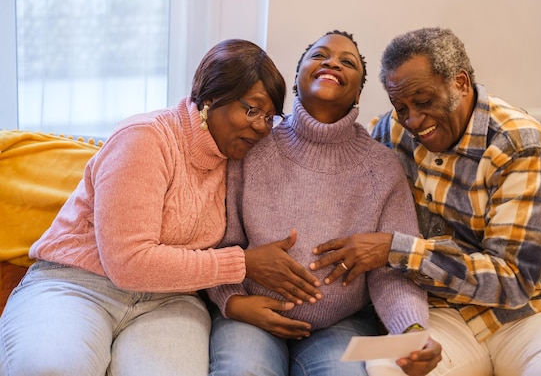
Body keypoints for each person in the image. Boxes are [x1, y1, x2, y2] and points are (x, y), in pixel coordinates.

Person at [0, 39, 321, 376]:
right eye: (252, 110)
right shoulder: (145, 138)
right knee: (50, 369)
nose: (260, 127)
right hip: (79, 284)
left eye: (269, 117)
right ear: (211, 97)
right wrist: (242, 264)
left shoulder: (241, 159)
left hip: (170, 301)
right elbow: (128, 263)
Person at [310, 27, 541, 376]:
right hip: (442, 313)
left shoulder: (519, 144)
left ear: (461, 83)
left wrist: (395, 249)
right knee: (382, 368)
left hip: (536, 313)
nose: (413, 121)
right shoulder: (392, 132)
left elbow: (512, 281)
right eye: (400, 106)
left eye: (423, 101)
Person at [206, 31, 442, 376]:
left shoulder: (382, 167)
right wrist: (234, 302)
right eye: (319, 56)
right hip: (249, 314)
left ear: (359, 92)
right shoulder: (251, 144)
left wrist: (412, 331)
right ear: (297, 79)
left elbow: (392, 269)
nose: (332, 62)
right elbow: (217, 239)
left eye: (347, 62)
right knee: (243, 370)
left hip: (339, 325)